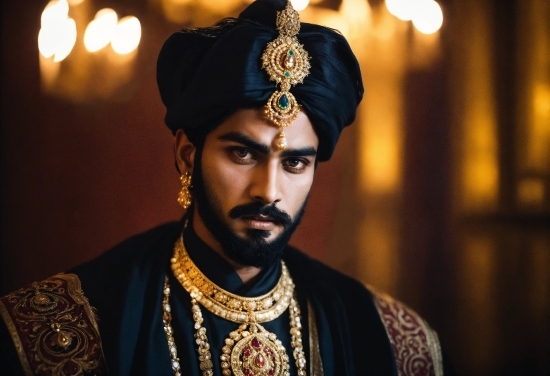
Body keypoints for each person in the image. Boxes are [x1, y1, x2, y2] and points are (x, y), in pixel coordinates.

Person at [0, 0, 451, 375]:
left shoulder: (387, 337)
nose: (268, 190)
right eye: (243, 154)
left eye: (294, 162)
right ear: (187, 156)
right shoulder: (67, 325)